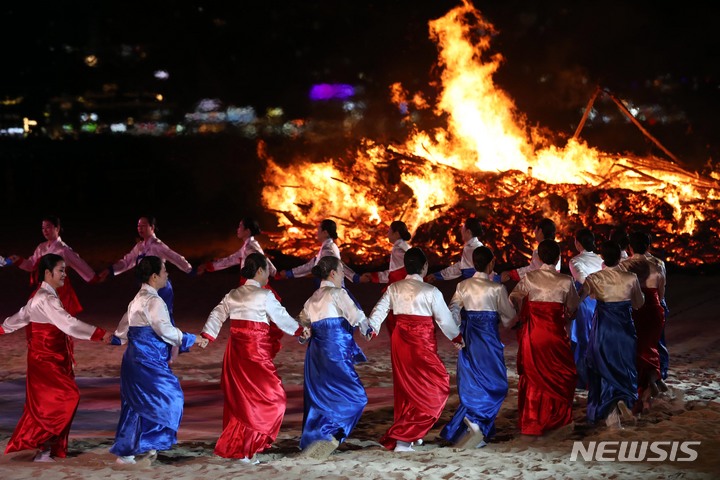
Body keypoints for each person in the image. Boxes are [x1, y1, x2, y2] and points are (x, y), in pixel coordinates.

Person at [1, 253, 111, 462]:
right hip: (46, 360)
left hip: (56, 358)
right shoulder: (45, 298)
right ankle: (39, 445)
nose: (64, 275)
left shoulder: (41, 295)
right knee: (67, 398)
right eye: (61, 270)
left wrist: (2, 328)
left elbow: (21, 316)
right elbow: (68, 323)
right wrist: (100, 334)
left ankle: (48, 450)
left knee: (46, 405)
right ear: (48, 273)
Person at [200, 253, 302, 463]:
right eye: (267, 270)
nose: (269, 275)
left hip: (237, 353)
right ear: (259, 271)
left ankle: (244, 450)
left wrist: (207, 335)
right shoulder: (264, 295)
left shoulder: (234, 294)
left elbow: (217, 314)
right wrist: (301, 331)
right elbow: (282, 319)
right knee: (275, 399)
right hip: (255, 355)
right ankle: (246, 449)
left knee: (243, 401)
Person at [110, 256, 208, 466]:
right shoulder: (154, 301)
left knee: (135, 406)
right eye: (164, 271)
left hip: (133, 360)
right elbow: (164, 330)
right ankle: (148, 444)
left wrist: (115, 339)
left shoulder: (137, 298)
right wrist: (191, 339)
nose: (167, 275)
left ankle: (128, 453)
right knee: (171, 397)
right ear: (154, 276)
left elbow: (122, 330)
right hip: (147, 360)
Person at [366, 247, 463, 452]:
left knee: (407, 387)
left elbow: (380, 309)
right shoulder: (431, 291)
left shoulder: (394, 288)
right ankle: (403, 438)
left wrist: (372, 328)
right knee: (438, 385)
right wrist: (457, 337)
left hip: (400, 341)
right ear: (425, 267)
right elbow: (444, 319)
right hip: (421, 343)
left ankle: (412, 434)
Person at [440, 246, 516, 449]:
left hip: (469, 339)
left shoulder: (463, 285)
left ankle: (473, 427)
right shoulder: (497, 288)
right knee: (497, 385)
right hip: (488, 340)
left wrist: (457, 330)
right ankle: (476, 425)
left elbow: (453, 308)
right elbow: (509, 319)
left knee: (474, 383)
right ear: (491, 263)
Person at [298, 255, 371, 460]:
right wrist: (368, 330)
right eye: (341, 272)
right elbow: (356, 316)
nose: (343, 276)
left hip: (315, 354)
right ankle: (334, 434)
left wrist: (304, 335)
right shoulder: (339, 293)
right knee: (357, 396)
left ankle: (318, 437)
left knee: (321, 398)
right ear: (332, 273)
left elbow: (303, 323)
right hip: (335, 350)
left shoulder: (313, 297)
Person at [508, 239, 579, 438]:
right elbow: (573, 307)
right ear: (558, 258)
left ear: (538, 257)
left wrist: (522, 313)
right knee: (563, 374)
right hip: (555, 334)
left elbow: (513, 297)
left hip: (534, 334)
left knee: (534, 377)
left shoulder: (530, 278)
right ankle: (556, 418)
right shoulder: (565, 281)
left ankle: (534, 420)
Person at [583, 241, 645, 429]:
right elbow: (639, 303)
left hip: (603, 328)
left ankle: (611, 414)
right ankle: (622, 401)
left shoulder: (594, 278)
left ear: (602, 257)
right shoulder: (631, 277)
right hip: (624, 328)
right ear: (620, 257)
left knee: (603, 366)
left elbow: (583, 298)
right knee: (624, 365)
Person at [98, 215, 193, 326]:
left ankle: (177, 340)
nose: (140, 228)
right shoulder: (140, 246)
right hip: (147, 287)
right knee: (140, 314)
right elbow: (127, 261)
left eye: (143, 226)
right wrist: (111, 270)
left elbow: (176, 257)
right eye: (138, 226)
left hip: (161, 287)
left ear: (152, 228)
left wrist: (190, 270)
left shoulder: (157, 245)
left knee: (162, 319)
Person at [8, 215, 99, 316]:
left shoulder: (63, 249)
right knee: (35, 319)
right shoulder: (41, 248)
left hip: (60, 291)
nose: (45, 230)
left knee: (55, 323)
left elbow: (80, 264)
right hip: (43, 289)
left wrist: (94, 277)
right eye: (43, 228)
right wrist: (18, 260)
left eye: (48, 227)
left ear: (57, 228)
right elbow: (31, 265)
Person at [618, 231, 667, 413]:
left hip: (634, 310)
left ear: (629, 247)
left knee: (635, 351)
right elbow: (661, 291)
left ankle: (641, 391)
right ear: (648, 246)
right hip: (653, 308)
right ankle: (648, 389)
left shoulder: (624, 265)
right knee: (651, 347)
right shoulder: (658, 264)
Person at [359, 220, 412, 337]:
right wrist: (374, 277)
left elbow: (395, 274)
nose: (387, 234)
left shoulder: (398, 249)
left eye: (389, 231)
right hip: (406, 291)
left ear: (396, 233)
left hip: (399, 293)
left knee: (395, 325)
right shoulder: (404, 247)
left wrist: (373, 277)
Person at [568, 228, 603, 390]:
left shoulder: (575, 261)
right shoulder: (600, 260)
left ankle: (583, 378)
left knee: (582, 340)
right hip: (601, 300)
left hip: (585, 302)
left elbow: (582, 280)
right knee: (595, 339)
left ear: (578, 243)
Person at [197, 217, 277, 279]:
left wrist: (275, 273)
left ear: (247, 231)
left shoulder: (249, 247)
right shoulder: (247, 246)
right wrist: (207, 266)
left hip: (252, 289)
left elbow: (262, 259)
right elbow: (230, 260)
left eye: (240, 226)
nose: (237, 229)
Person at [424, 217, 485, 283]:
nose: (461, 230)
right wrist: (438, 275)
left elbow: (461, 268)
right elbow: (460, 267)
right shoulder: (470, 247)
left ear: (468, 232)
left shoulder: (475, 248)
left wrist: (438, 275)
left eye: (463, 228)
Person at [501, 218, 561, 282]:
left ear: (540, 231)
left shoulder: (540, 252)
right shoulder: (555, 248)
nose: (534, 232)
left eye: (536, 229)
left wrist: (512, 274)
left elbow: (532, 271)